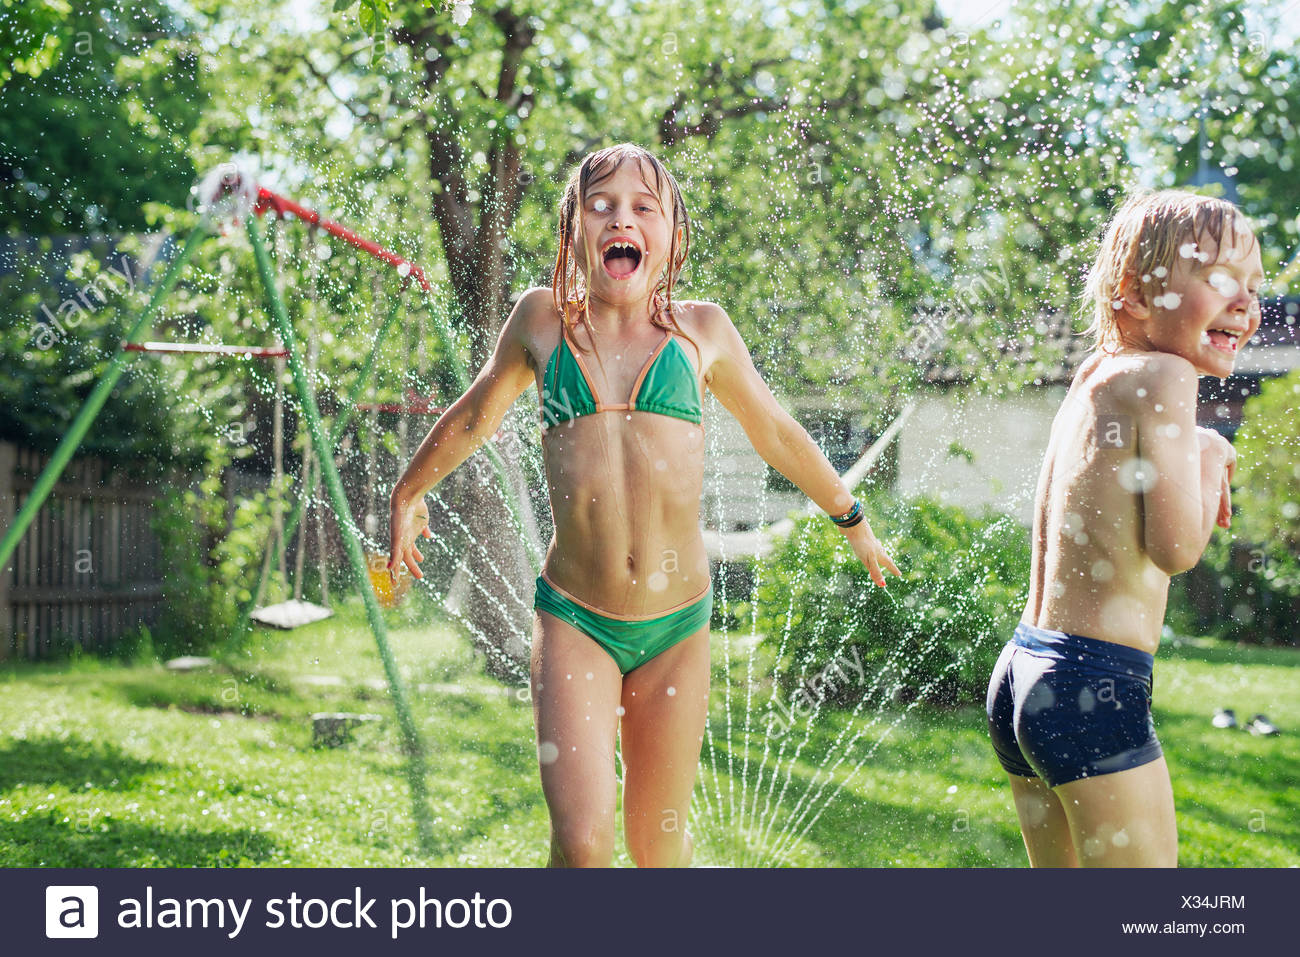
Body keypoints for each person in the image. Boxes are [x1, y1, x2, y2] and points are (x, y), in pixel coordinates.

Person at [388, 143, 899, 867]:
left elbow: (777, 433)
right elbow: (475, 415)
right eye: (599, 206)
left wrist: (851, 516)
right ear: (572, 235)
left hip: (677, 628)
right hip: (576, 621)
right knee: (582, 841)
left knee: (658, 848)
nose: (619, 217)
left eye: (641, 207)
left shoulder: (703, 332)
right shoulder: (540, 322)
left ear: (672, 239)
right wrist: (409, 490)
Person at [986, 190, 1263, 867]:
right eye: (1221, 279)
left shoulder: (1098, 372)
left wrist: (1191, 443)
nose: (1246, 305)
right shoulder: (1169, 375)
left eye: (1255, 287)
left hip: (1024, 672)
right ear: (1136, 294)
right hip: (1092, 685)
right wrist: (1207, 454)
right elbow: (1175, 547)